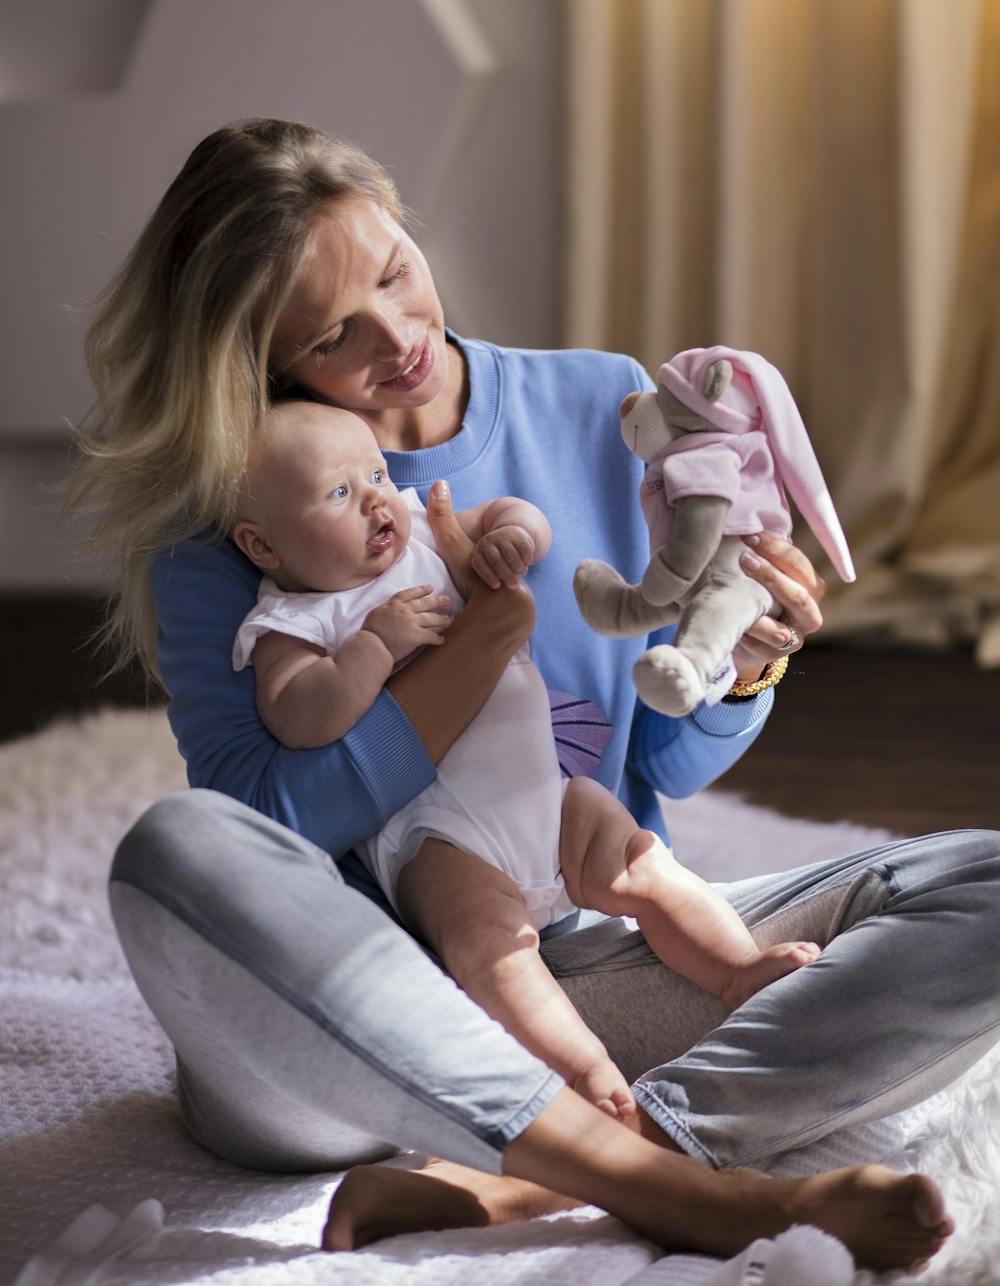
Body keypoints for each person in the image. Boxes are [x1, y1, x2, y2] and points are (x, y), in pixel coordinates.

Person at [68, 117, 1000, 1272]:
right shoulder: (237, 518)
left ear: (407, 226)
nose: (399, 336)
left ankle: (580, 1162)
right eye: (333, 334)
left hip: (579, 961)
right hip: (340, 1023)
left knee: (987, 884)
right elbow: (270, 824)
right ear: (260, 357)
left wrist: (741, 660)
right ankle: (684, 1190)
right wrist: (479, 643)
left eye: (396, 274)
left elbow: (653, 765)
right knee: (176, 848)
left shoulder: (602, 409)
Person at [230, 399, 821, 1117]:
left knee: (644, 864)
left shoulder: (420, 524)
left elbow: (518, 516)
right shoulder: (292, 621)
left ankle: (737, 972)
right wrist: (375, 645)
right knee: (490, 948)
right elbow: (299, 716)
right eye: (339, 493)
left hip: (549, 792)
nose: (376, 499)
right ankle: (582, 1074)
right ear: (264, 548)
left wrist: (510, 537)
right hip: (439, 837)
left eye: (377, 473)